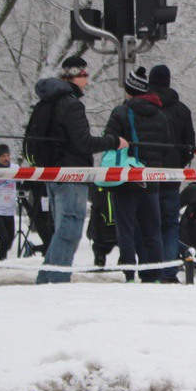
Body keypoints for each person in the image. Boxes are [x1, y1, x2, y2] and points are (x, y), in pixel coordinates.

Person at [35, 56, 126, 284]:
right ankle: (56, 282)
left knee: (61, 231)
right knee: (69, 232)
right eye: (85, 75)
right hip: (72, 175)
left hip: (53, 175)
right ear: (77, 76)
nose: (87, 80)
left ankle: (46, 280)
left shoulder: (49, 100)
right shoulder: (72, 104)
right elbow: (84, 143)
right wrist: (114, 141)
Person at [104, 67, 170, 283]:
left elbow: (109, 141)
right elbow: (166, 146)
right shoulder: (160, 115)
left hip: (126, 179)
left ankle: (129, 274)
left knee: (126, 230)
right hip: (151, 181)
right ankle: (155, 274)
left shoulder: (120, 112)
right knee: (153, 231)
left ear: (129, 90)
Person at [148, 64, 196, 283]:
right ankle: (168, 271)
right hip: (172, 177)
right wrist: (179, 163)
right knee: (170, 223)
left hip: (146, 176)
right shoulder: (182, 110)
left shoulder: (142, 106)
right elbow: (189, 145)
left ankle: (150, 269)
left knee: (148, 223)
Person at [0, 144, 19, 260]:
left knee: (9, 241)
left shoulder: (15, 168)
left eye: (8, 155)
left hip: (9, 210)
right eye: (3, 156)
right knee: (4, 238)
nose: (6, 158)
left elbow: (26, 179)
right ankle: (1, 261)